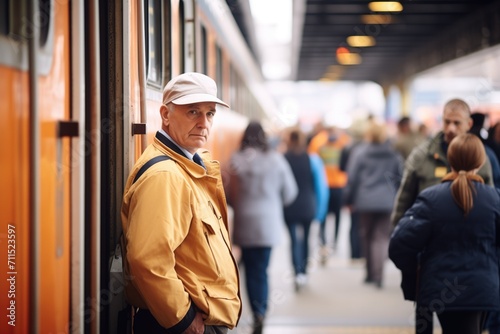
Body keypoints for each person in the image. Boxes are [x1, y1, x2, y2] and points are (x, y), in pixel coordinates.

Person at [121, 72, 241, 334]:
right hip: (179, 324)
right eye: (193, 112)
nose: (203, 123)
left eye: (209, 113)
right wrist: (184, 321)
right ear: (165, 115)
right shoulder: (166, 176)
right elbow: (147, 259)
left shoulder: (188, 168)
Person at [390, 98, 494, 334]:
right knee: (427, 320)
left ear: (468, 124)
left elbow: (488, 210)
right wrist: (411, 261)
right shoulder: (422, 155)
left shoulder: (481, 160)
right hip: (429, 259)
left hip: (460, 264)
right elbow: (403, 201)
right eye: (447, 122)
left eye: (456, 123)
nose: (450, 128)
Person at [227, 121, 298, 334]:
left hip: (245, 223)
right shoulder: (276, 160)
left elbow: (228, 194)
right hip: (268, 224)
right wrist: (273, 202)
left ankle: (254, 310)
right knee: (262, 270)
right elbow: (290, 193)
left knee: (250, 270)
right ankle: (261, 312)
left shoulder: (236, 160)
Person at [343, 122, 403, 288]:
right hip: (386, 201)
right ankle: (378, 274)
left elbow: (352, 177)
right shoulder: (393, 153)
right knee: (381, 237)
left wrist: (348, 199)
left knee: (366, 235)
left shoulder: (360, 153)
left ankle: (369, 273)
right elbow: (399, 177)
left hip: (365, 200)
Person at [283, 129, 329, 291]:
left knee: (294, 240)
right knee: (307, 240)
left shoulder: (283, 159)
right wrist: (321, 211)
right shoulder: (313, 159)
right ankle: (304, 272)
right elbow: (321, 188)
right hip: (308, 205)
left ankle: (297, 273)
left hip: (289, 207)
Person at [308, 126, 350, 264]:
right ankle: (325, 243)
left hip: (336, 184)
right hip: (326, 185)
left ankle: (332, 243)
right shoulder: (319, 141)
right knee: (325, 215)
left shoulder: (342, 140)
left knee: (334, 215)